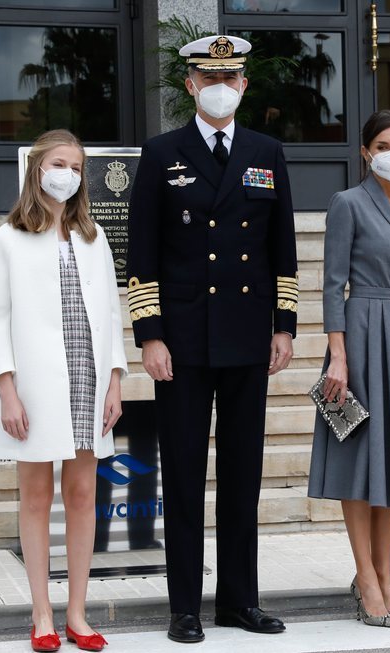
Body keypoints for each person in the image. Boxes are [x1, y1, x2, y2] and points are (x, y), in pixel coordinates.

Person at [126, 34, 298, 644]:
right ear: (190, 85)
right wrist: (149, 335)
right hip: (184, 341)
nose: (221, 86)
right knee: (184, 474)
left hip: (249, 337)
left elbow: (283, 248)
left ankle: (239, 601)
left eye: (232, 77)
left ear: (244, 86)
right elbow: (141, 253)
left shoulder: (266, 151)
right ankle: (184, 607)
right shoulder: (161, 153)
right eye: (209, 77)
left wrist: (284, 325)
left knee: (243, 475)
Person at [0, 129, 127, 653]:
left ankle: (78, 613)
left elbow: (112, 311)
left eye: (77, 166)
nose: (69, 173)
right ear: (38, 169)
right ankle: (41, 612)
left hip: (88, 378)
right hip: (36, 384)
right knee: (36, 495)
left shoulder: (94, 237)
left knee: (84, 494)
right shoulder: (8, 239)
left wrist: (115, 380)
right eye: (60, 163)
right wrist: (7, 391)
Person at [307, 110, 390, 628]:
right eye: (384, 144)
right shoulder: (347, 203)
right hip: (360, 337)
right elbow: (331, 283)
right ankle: (365, 576)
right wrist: (337, 354)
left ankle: (386, 573)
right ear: (366, 151)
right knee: (357, 459)